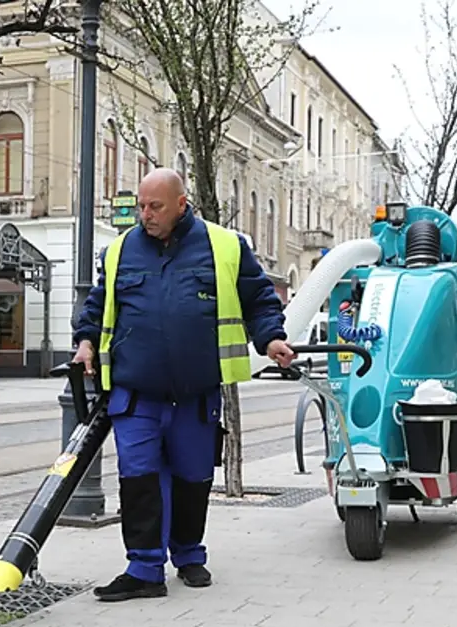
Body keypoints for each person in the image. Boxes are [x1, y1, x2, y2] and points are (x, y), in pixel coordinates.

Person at [71, 168, 296, 603]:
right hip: (136, 391)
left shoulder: (225, 246)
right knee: (139, 478)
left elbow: (258, 298)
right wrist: (84, 342)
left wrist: (271, 338)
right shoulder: (120, 250)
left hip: (196, 393)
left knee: (193, 478)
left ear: (181, 203)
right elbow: (98, 306)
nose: (145, 214)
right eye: (140, 205)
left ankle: (189, 555)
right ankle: (144, 568)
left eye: (154, 206)